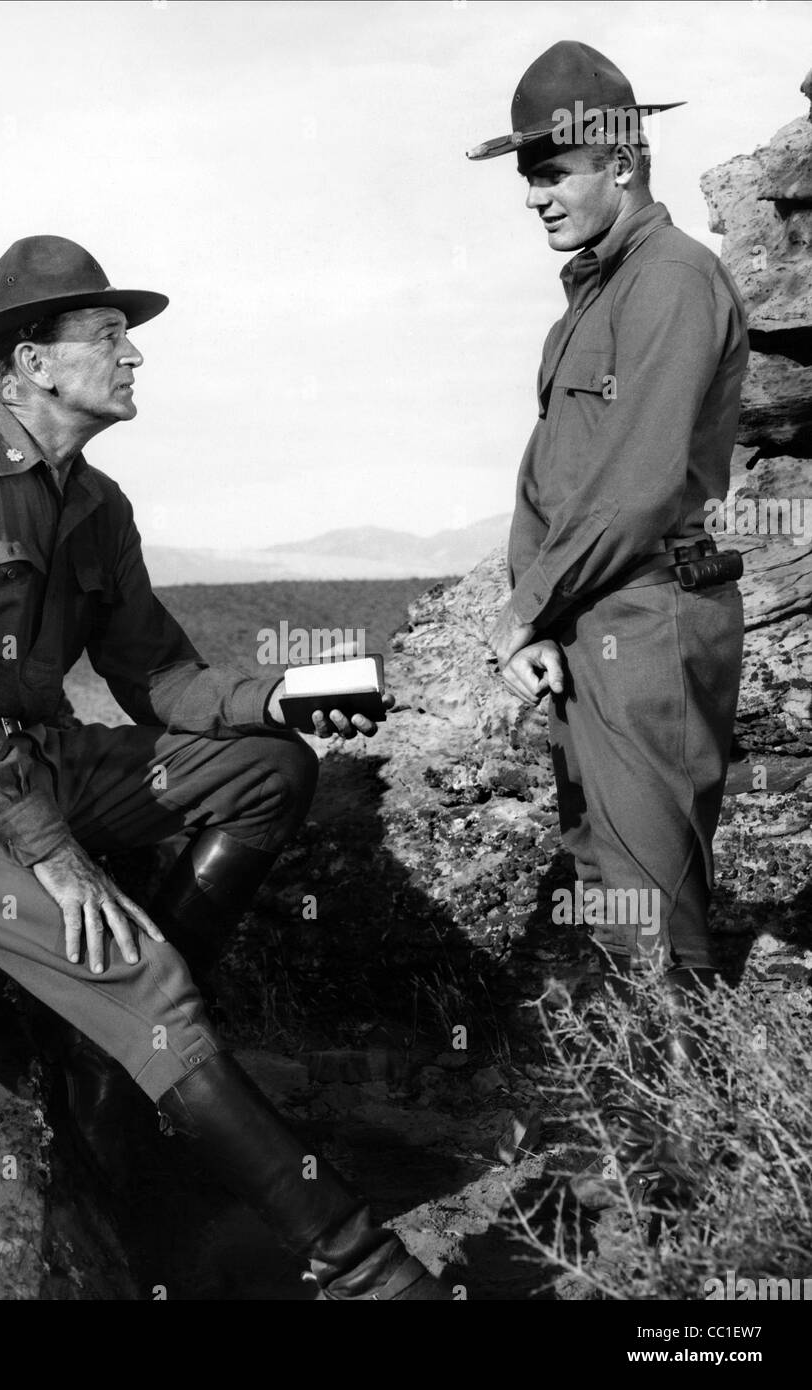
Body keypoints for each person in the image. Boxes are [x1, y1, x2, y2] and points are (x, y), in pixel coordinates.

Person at [0, 234, 447, 1299]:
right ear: (33, 362)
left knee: (267, 771)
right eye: (108, 337)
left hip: (32, 761)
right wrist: (56, 857)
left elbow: (159, 676)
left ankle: (113, 1058)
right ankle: (366, 1270)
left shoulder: (97, 505)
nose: (134, 356)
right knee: (141, 976)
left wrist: (281, 696)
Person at [467, 43, 748, 1204]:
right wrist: (532, 615)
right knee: (611, 884)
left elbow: (636, 489)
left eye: (554, 168)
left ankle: (698, 1197)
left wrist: (530, 607)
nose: (535, 193)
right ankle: (647, 1165)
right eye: (525, 172)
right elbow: (550, 481)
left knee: (652, 905)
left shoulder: (675, 280)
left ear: (623, 160)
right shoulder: (587, 300)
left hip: (650, 621)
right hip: (590, 631)